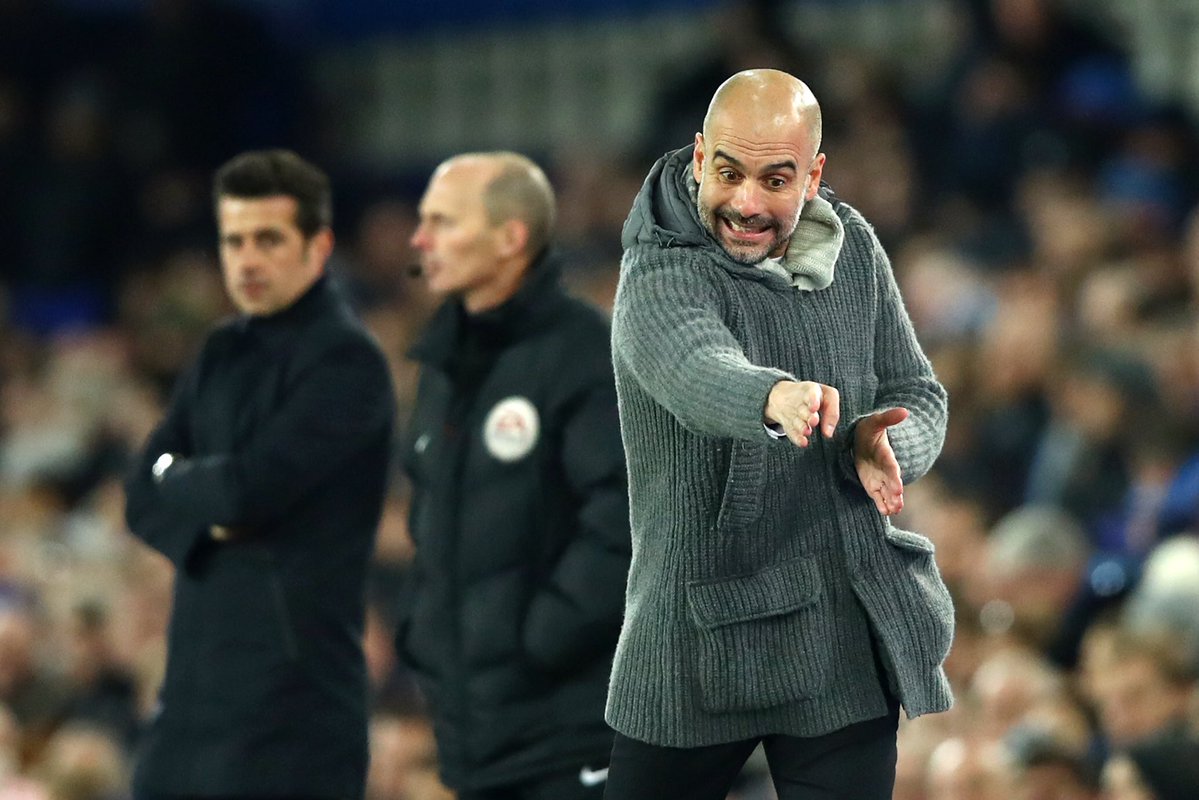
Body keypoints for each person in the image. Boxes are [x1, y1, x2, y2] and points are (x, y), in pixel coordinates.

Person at [604, 69, 954, 800]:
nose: (747, 203)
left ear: (814, 175)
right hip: (691, 645)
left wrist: (888, 444)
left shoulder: (852, 246)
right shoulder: (658, 272)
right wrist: (770, 397)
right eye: (728, 173)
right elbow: (694, 369)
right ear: (698, 157)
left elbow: (915, 391)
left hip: (839, 637)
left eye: (776, 179)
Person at [123, 149, 396, 800]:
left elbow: (251, 487)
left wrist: (183, 481)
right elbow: (139, 492)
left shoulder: (347, 362)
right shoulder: (219, 352)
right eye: (234, 240)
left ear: (318, 245)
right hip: (192, 686)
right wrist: (209, 518)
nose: (246, 259)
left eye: (268, 239)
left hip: (293, 697)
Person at [396, 152, 630, 800]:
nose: (421, 240)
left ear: (510, 238)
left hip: (572, 730)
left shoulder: (579, 352)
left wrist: (538, 641)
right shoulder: (442, 369)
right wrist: (427, 640)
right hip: (477, 739)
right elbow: (433, 525)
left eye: (443, 222)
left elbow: (627, 517)